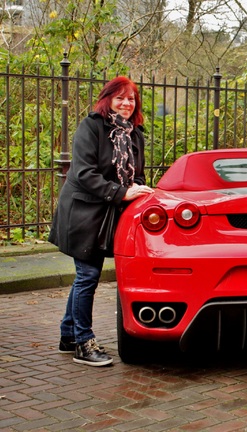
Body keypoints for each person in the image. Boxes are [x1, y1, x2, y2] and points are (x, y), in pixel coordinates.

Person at [49, 77, 154, 367]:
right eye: (120, 98)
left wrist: (142, 190)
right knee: (87, 276)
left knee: (85, 275)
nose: (126, 103)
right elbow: (84, 173)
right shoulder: (91, 126)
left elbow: (138, 175)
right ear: (107, 99)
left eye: (131, 99)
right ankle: (83, 342)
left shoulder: (135, 134)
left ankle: (68, 336)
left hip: (108, 213)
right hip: (83, 212)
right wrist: (122, 193)